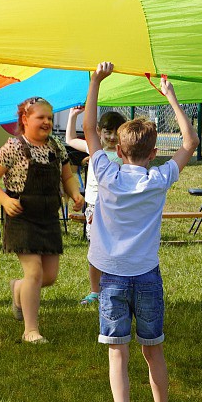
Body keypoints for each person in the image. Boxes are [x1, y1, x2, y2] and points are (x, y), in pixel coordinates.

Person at [84, 63, 197, 402]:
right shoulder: (159, 178)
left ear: (118, 149)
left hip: (112, 279)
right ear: (153, 153)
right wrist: (171, 96)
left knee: (118, 352)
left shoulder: (106, 174)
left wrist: (96, 81)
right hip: (147, 276)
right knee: (154, 350)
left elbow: (86, 130)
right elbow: (190, 142)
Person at [0, 97, 84, 344]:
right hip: (22, 218)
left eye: (50, 117)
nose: (47, 122)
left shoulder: (56, 147)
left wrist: (75, 193)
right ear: (25, 120)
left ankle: (18, 288)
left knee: (48, 277)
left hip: (49, 217)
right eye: (41, 117)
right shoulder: (11, 147)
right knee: (35, 273)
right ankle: (31, 330)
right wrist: (5, 201)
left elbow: (67, 176)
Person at [65, 105, 125, 306]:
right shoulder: (94, 148)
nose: (112, 137)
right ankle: (95, 291)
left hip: (115, 208)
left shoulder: (123, 153)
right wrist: (73, 116)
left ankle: (116, 286)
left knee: (115, 248)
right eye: (108, 132)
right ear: (99, 131)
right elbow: (70, 140)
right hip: (93, 207)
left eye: (117, 132)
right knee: (95, 249)